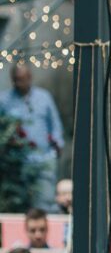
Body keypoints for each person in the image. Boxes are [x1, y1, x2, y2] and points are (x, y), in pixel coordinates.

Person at [1, 63, 64, 211]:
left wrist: (58, 145)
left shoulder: (44, 97)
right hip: (16, 164)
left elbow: (55, 124)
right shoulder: (4, 100)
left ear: (30, 78)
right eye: (16, 79)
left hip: (43, 160)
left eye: (22, 79)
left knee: (44, 203)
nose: (19, 83)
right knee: (17, 206)